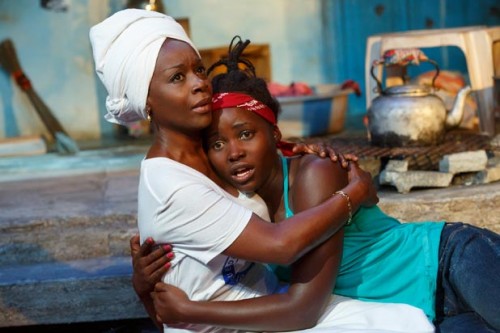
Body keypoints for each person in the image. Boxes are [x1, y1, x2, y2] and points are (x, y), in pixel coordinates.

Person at [90, 9, 434, 333]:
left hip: (268, 311)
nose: (198, 84)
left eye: (198, 69)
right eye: (177, 78)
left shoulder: (207, 155)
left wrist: (287, 146)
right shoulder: (171, 186)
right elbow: (281, 247)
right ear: (145, 99)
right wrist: (352, 195)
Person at [136, 36, 500, 333]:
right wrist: (143, 284)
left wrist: (193, 310)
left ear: (274, 134)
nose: (233, 153)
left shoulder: (314, 175)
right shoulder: (234, 203)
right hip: (429, 313)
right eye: (216, 144)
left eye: (246, 134)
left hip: (448, 262)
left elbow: (302, 308)